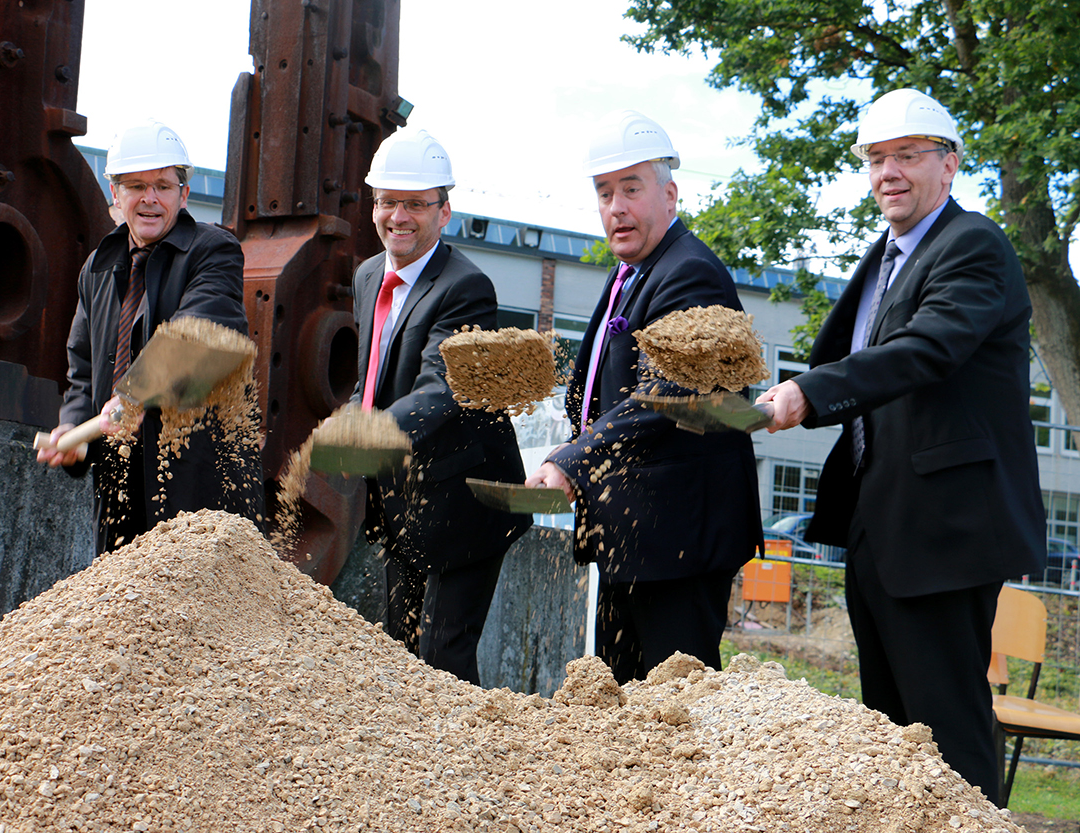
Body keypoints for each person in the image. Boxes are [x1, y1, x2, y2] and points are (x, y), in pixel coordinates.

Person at [755, 88, 1046, 800]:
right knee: (890, 735)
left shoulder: (972, 244)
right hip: (881, 527)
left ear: (949, 166)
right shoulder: (885, 259)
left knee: (946, 732)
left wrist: (808, 390)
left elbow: (926, 349)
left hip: (944, 532)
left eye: (908, 156)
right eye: (877, 158)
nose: (889, 171)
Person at [525, 110, 762, 684]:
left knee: (674, 707)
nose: (616, 207)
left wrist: (572, 461)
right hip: (638, 534)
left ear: (670, 193)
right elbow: (605, 388)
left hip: (678, 541)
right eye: (605, 193)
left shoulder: (690, 273)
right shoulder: (633, 271)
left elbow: (666, 392)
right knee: (627, 705)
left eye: (632, 189)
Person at [351, 128, 532, 685]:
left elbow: (442, 389)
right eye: (387, 201)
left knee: (441, 655)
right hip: (404, 498)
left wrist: (366, 434)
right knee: (398, 650)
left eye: (415, 204)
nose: (398, 216)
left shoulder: (466, 287)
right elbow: (374, 380)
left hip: (468, 500)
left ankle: (466, 766)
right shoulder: (365, 276)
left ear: (444, 211)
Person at [36, 119, 260, 553]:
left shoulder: (213, 250)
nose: (150, 199)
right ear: (115, 195)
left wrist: (135, 393)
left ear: (184, 194)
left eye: (163, 185)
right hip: (120, 482)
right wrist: (72, 430)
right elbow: (83, 372)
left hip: (199, 485)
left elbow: (203, 330)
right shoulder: (97, 269)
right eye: (136, 185)